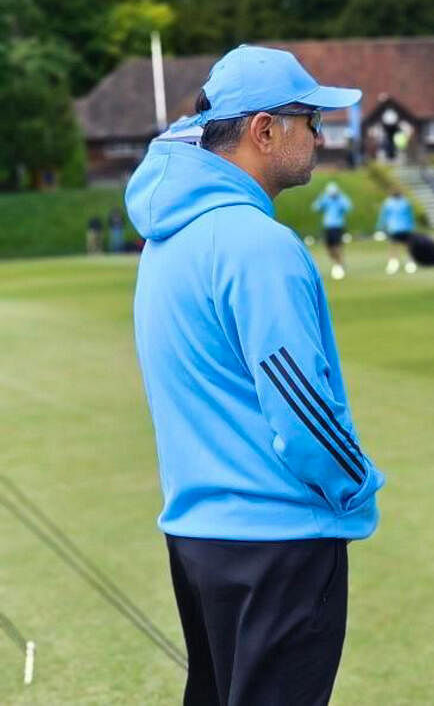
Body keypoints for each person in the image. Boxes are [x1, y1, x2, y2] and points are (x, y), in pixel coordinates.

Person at [125, 45, 384, 706]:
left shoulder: (166, 238)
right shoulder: (257, 244)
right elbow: (301, 409)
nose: (321, 135)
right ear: (264, 129)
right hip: (278, 541)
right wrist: (356, 485)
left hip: (199, 533)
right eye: (310, 119)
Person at [313, 181, 352, 280]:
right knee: (328, 248)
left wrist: (340, 198)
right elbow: (316, 208)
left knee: (337, 246)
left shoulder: (341, 199)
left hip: (337, 226)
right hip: (327, 226)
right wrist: (321, 198)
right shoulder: (326, 199)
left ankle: (339, 265)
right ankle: (337, 263)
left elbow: (348, 207)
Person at [377, 187, 417, 275]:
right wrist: (381, 226)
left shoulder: (404, 202)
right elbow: (384, 216)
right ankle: (394, 263)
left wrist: (381, 226)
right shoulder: (390, 202)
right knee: (395, 246)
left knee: (403, 246)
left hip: (403, 227)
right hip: (395, 228)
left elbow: (410, 215)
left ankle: (409, 263)